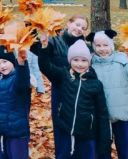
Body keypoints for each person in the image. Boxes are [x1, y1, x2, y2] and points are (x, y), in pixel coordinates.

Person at [38, 34, 111, 159]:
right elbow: (46, 67)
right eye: (76, 60)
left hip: (87, 134)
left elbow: (102, 114)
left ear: (89, 61)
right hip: (66, 129)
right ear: (70, 60)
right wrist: (44, 48)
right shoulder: (64, 75)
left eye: (84, 60)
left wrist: (105, 143)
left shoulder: (95, 84)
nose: (80, 64)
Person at [30, 14, 89, 156]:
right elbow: (35, 49)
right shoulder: (54, 41)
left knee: (79, 126)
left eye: (83, 28)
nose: (79, 29)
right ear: (68, 24)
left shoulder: (86, 48)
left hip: (80, 91)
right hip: (60, 90)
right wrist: (33, 28)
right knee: (61, 127)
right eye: (77, 25)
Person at [88, 30, 128, 159]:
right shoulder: (90, 64)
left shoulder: (122, 61)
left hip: (120, 114)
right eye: (98, 46)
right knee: (102, 149)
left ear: (111, 45)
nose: (102, 49)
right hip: (100, 116)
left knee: (123, 148)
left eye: (105, 45)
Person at [0, 46, 31, 159]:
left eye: (5, 61)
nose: (2, 66)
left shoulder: (16, 79)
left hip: (16, 133)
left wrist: (22, 64)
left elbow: (22, 80)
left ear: (13, 62)